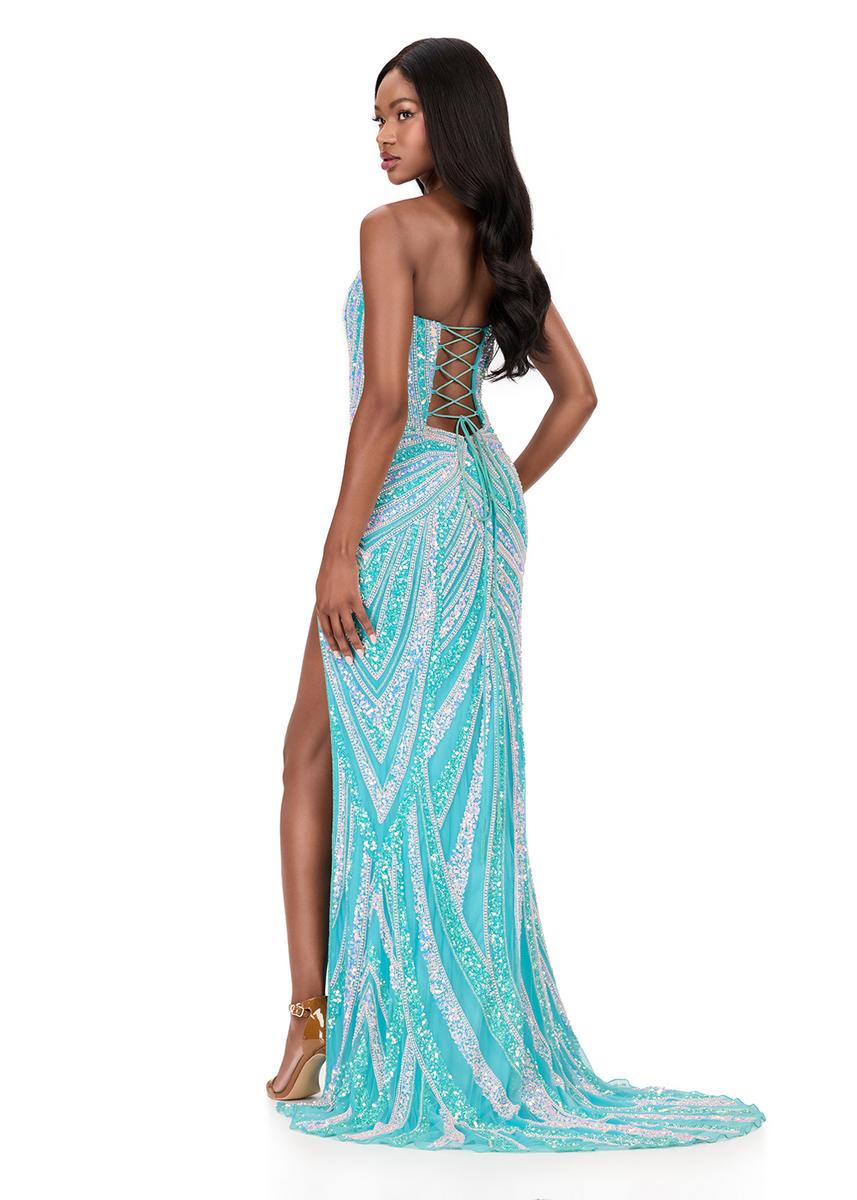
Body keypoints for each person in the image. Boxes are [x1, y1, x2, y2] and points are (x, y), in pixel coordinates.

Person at [267, 37, 766, 1152]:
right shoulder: (498, 249)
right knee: (446, 769)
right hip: (475, 510)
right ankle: (410, 1018)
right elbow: (576, 395)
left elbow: (385, 402)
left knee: (315, 754)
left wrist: (339, 549)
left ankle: (314, 1027)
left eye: (401, 112)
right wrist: (497, 488)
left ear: (451, 118)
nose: (382, 135)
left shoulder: (389, 230)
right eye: (376, 117)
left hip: (401, 507)